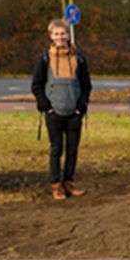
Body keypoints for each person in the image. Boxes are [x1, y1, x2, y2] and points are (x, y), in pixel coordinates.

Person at [30, 19, 92, 200]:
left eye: (63, 33)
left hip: (74, 114)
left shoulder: (79, 58)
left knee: (73, 150)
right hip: (54, 114)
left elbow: (86, 85)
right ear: (51, 36)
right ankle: (56, 185)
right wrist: (46, 107)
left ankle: (69, 183)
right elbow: (37, 85)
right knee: (56, 149)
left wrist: (81, 108)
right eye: (56, 34)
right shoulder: (44, 59)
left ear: (68, 35)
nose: (60, 37)